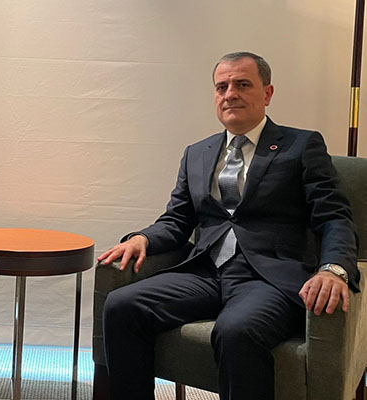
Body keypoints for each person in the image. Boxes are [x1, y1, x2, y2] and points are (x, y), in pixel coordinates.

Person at [98, 51, 360, 400]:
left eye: (242, 84)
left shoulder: (301, 145)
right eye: (222, 87)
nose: (230, 94)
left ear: (267, 93)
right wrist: (143, 238)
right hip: (206, 273)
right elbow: (177, 219)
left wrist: (334, 269)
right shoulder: (197, 152)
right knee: (122, 305)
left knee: (236, 330)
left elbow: (333, 216)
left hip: (267, 278)